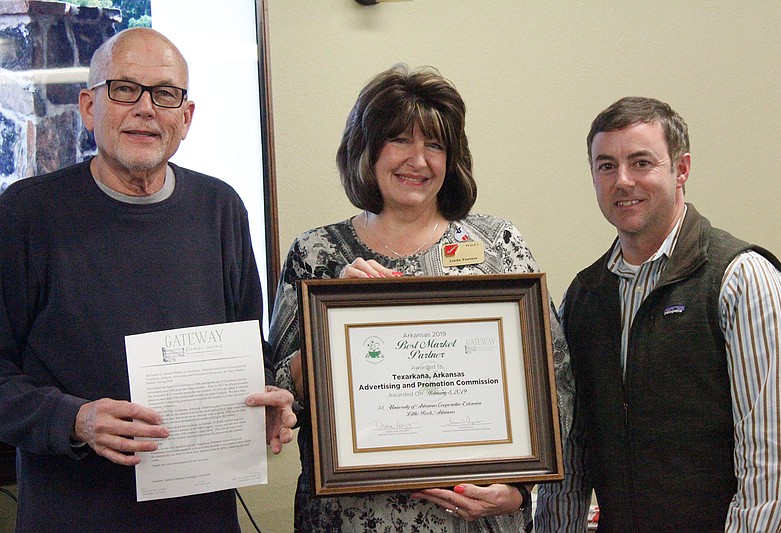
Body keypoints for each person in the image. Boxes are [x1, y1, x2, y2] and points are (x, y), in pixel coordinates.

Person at [0, 28, 296, 532]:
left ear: (186, 117)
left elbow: (250, 351)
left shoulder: (220, 208)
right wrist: (74, 420)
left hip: (202, 516)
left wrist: (268, 399)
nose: (145, 108)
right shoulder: (26, 213)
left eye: (164, 93)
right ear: (89, 107)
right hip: (73, 516)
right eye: (124, 89)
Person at [268, 64, 574, 532]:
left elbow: (555, 376)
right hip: (349, 520)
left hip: (474, 519)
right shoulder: (318, 255)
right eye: (400, 140)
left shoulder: (499, 245)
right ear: (366, 150)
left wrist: (519, 489)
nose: (419, 160)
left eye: (434, 144)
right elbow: (279, 395)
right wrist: (337, 320)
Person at [535, 96, 781, 532]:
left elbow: (773, 471)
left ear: (681, 170)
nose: (623, 181)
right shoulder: (584, 297)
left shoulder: (742, 280)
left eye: (641, 163)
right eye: (606, 166)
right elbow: (571, 459)